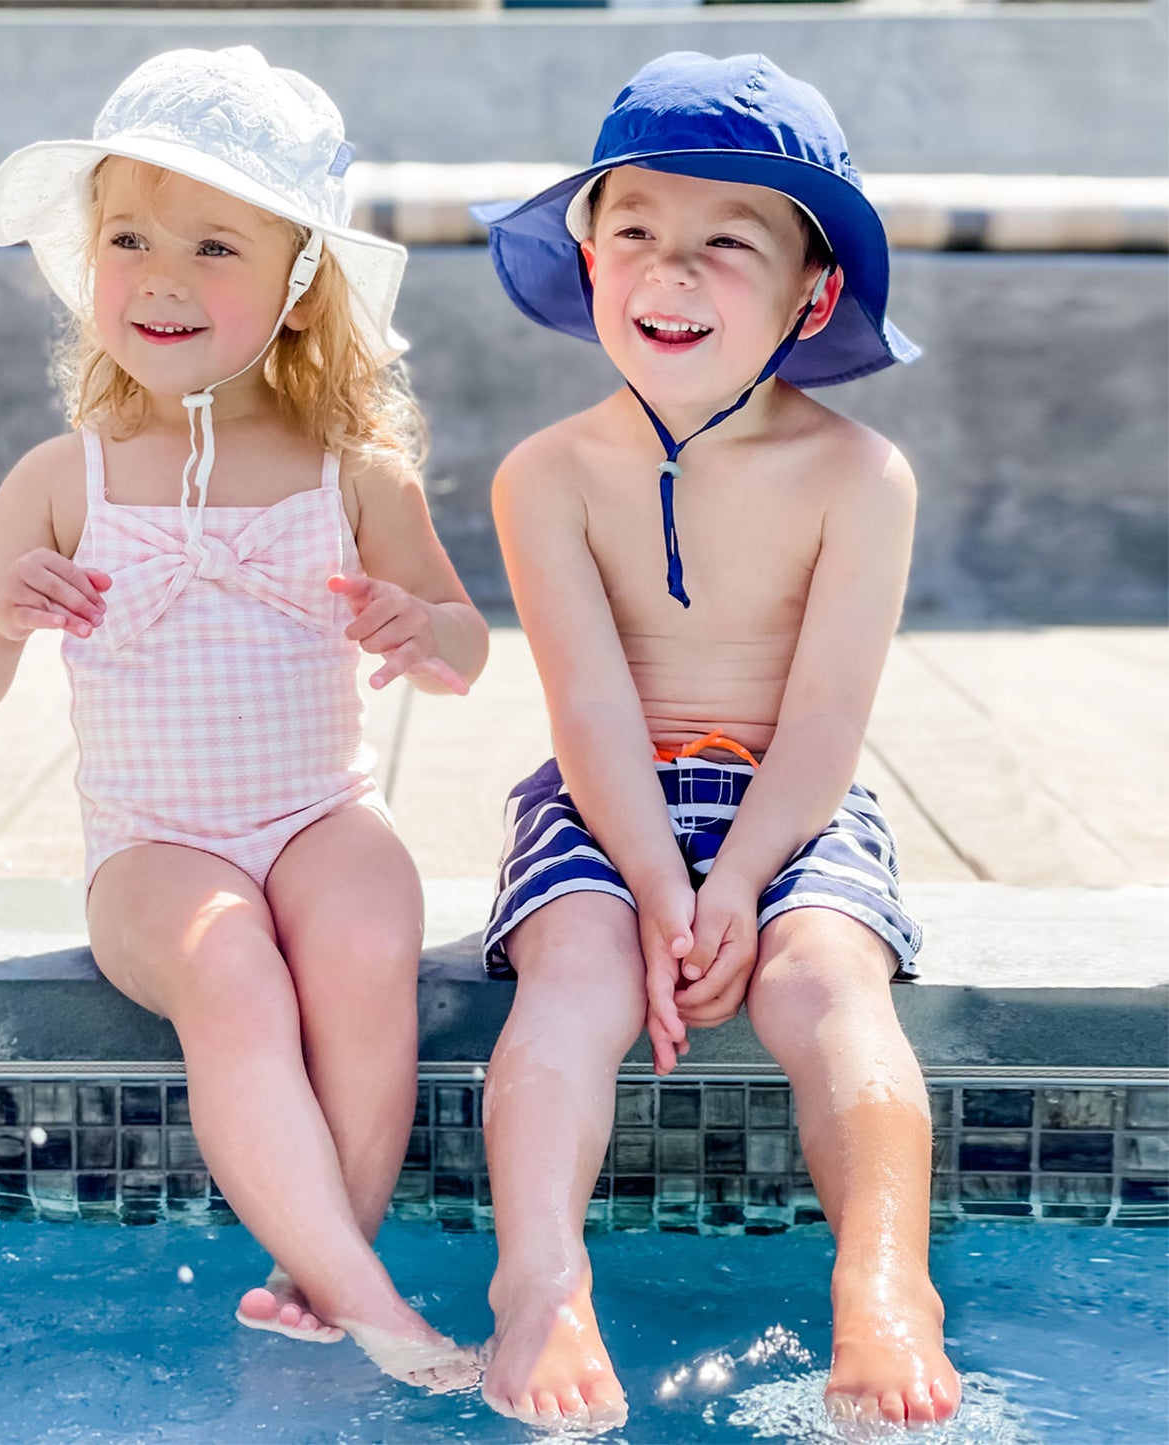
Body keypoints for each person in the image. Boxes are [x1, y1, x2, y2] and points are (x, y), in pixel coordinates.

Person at [0, 47, 487, 1391]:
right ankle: (370, 1299)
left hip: (314, 813)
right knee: (230, 968)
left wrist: (425, 635)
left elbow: (465, 641)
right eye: (127, 237)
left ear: (300, 291)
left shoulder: (356, 476)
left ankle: (317, 1258)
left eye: (213, 246)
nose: (161, 277)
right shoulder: (67, 477)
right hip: (153, 846)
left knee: (364, 929)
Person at [472, 52, 961, 1434]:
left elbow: (822, 723)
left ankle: (882, 1279)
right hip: (602, 795)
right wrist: (645, 879)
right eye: (633, 232)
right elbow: (587, 710)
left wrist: (737, 882)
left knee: (827, 984)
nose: (666, 275)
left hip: (785, 806)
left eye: (721, 246)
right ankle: (539, 1277)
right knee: (570, 974)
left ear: (809, 295)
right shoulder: (547, 475)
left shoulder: (858, 477)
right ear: (585, 254)